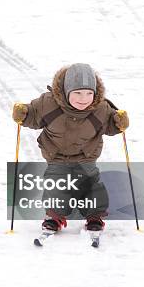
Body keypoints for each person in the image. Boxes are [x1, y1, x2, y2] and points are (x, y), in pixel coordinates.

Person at [12, 63, 129, 232]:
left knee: (91, 186)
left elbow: (111, 125)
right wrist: (23, 113)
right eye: (78, 93)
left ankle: (94, 216)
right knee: (56, 185)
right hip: (57, 156)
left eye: (89, 93)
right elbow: (32, 115)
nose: (84, 98)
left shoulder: (101, 108)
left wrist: (119, 123)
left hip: (86, 155)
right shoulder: (48, 103)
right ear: (66, 91)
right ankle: (54, 217)